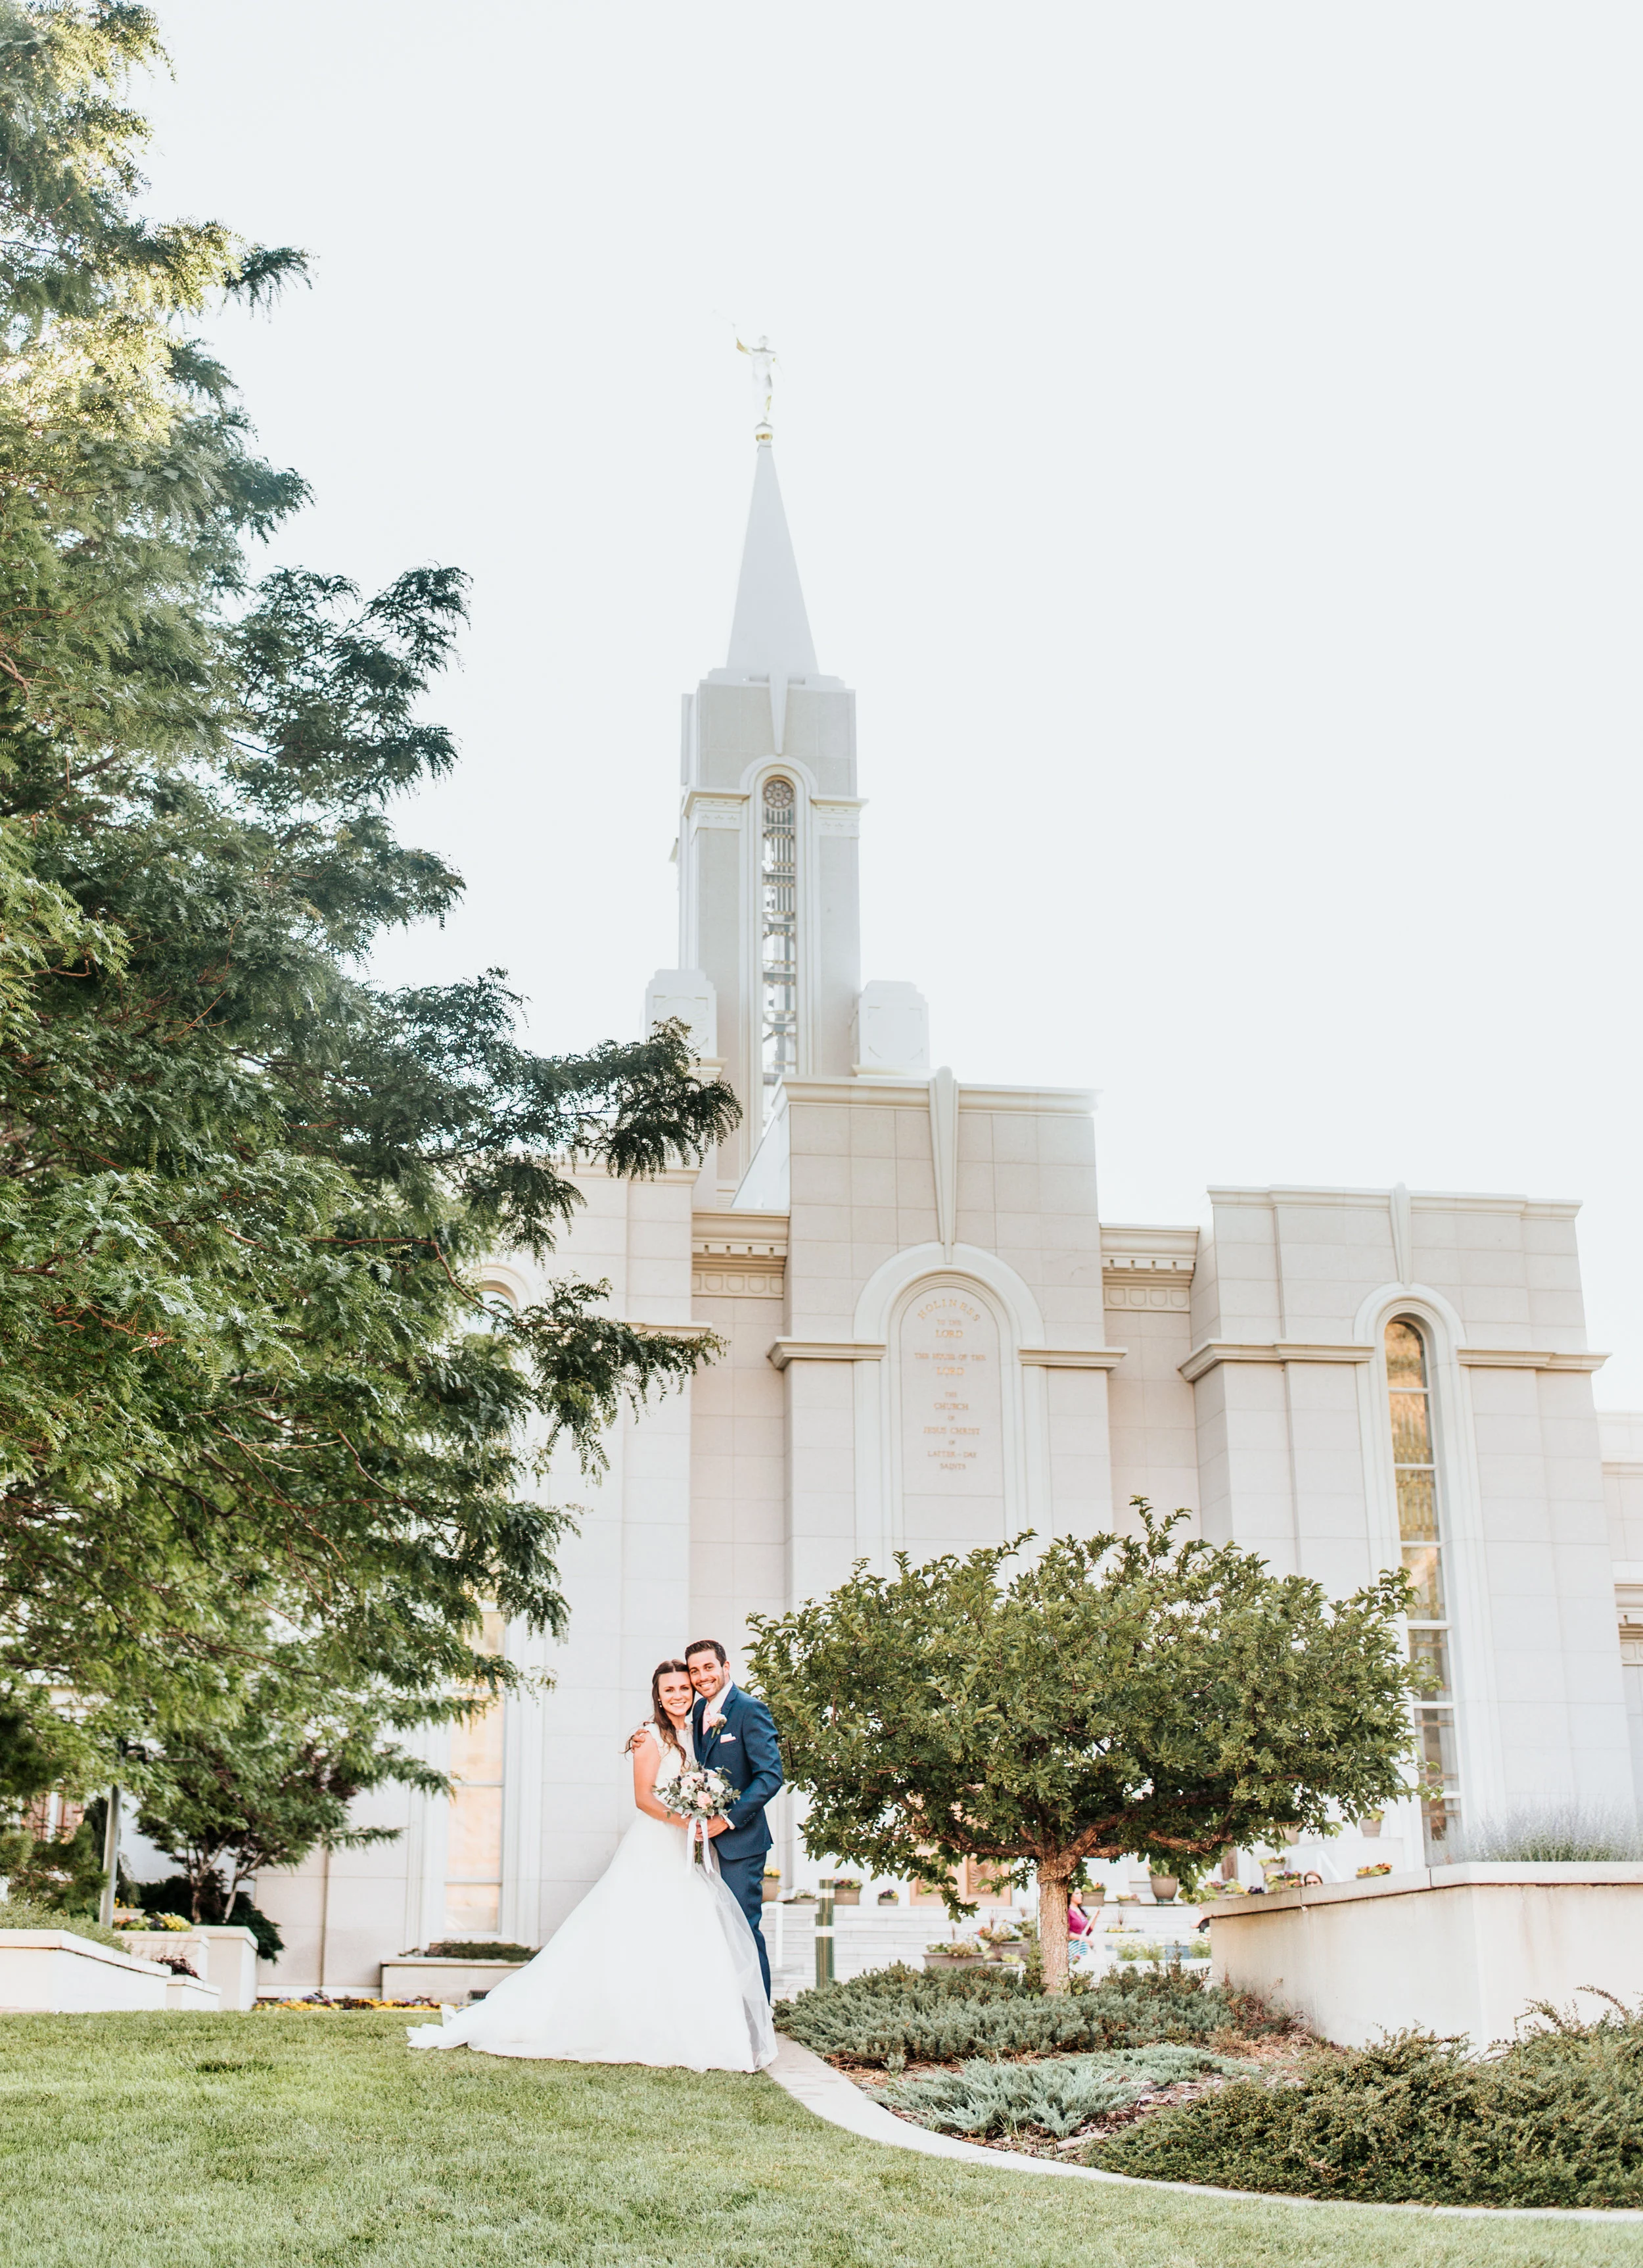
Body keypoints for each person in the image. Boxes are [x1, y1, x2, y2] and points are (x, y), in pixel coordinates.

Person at [405, 1659, 775, 2071]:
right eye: (669, 1690)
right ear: (657, 1695)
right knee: (635, 1929)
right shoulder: (649, 1737)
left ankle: (686, 2021)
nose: (679, 1695)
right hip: (658, 1842)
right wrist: (687, 1820)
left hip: (689, 1845)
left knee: (684, 1929)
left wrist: (704, 1813)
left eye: (684, 1688)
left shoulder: (699, 1732)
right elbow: (644, 1798)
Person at [684, 1638, 785, 1998]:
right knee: (712, 1930)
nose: (701, 1676)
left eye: (708, 1667)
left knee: (743, 1928)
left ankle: (759, 2021)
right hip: (700, 1844)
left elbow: (770, 1775)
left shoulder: (749, 1709)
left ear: (726, 1668)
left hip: (741, 1843)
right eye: (695, 1670)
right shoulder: (697, 1714)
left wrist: (726, 1820)